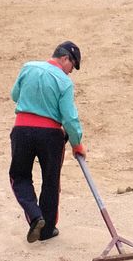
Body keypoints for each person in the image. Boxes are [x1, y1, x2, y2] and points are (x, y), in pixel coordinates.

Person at [8, 41, 85, 244]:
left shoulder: (28, 67)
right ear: (65, 58)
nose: (71, 71)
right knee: (51, 181)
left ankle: (35, 216)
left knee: (20, 177)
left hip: (22, 130)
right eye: (72, 65)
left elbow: (15, 96)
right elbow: (69, 118)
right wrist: (77, 143)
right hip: (51, 135)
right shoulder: (64, 82)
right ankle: (47, 230)